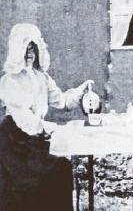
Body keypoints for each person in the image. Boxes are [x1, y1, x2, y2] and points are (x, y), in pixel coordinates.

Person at [0, 23, 94, 211]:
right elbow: (26, 121)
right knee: (33, 184)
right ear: (17, 50)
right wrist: (54, 129)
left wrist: (81, 90)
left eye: (33, 48)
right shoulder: (9, 80)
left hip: (35, 143)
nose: (29, 53)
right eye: (25, 48)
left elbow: (63, 102)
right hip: (13, 143)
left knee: (61, 169)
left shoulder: (42, 77)